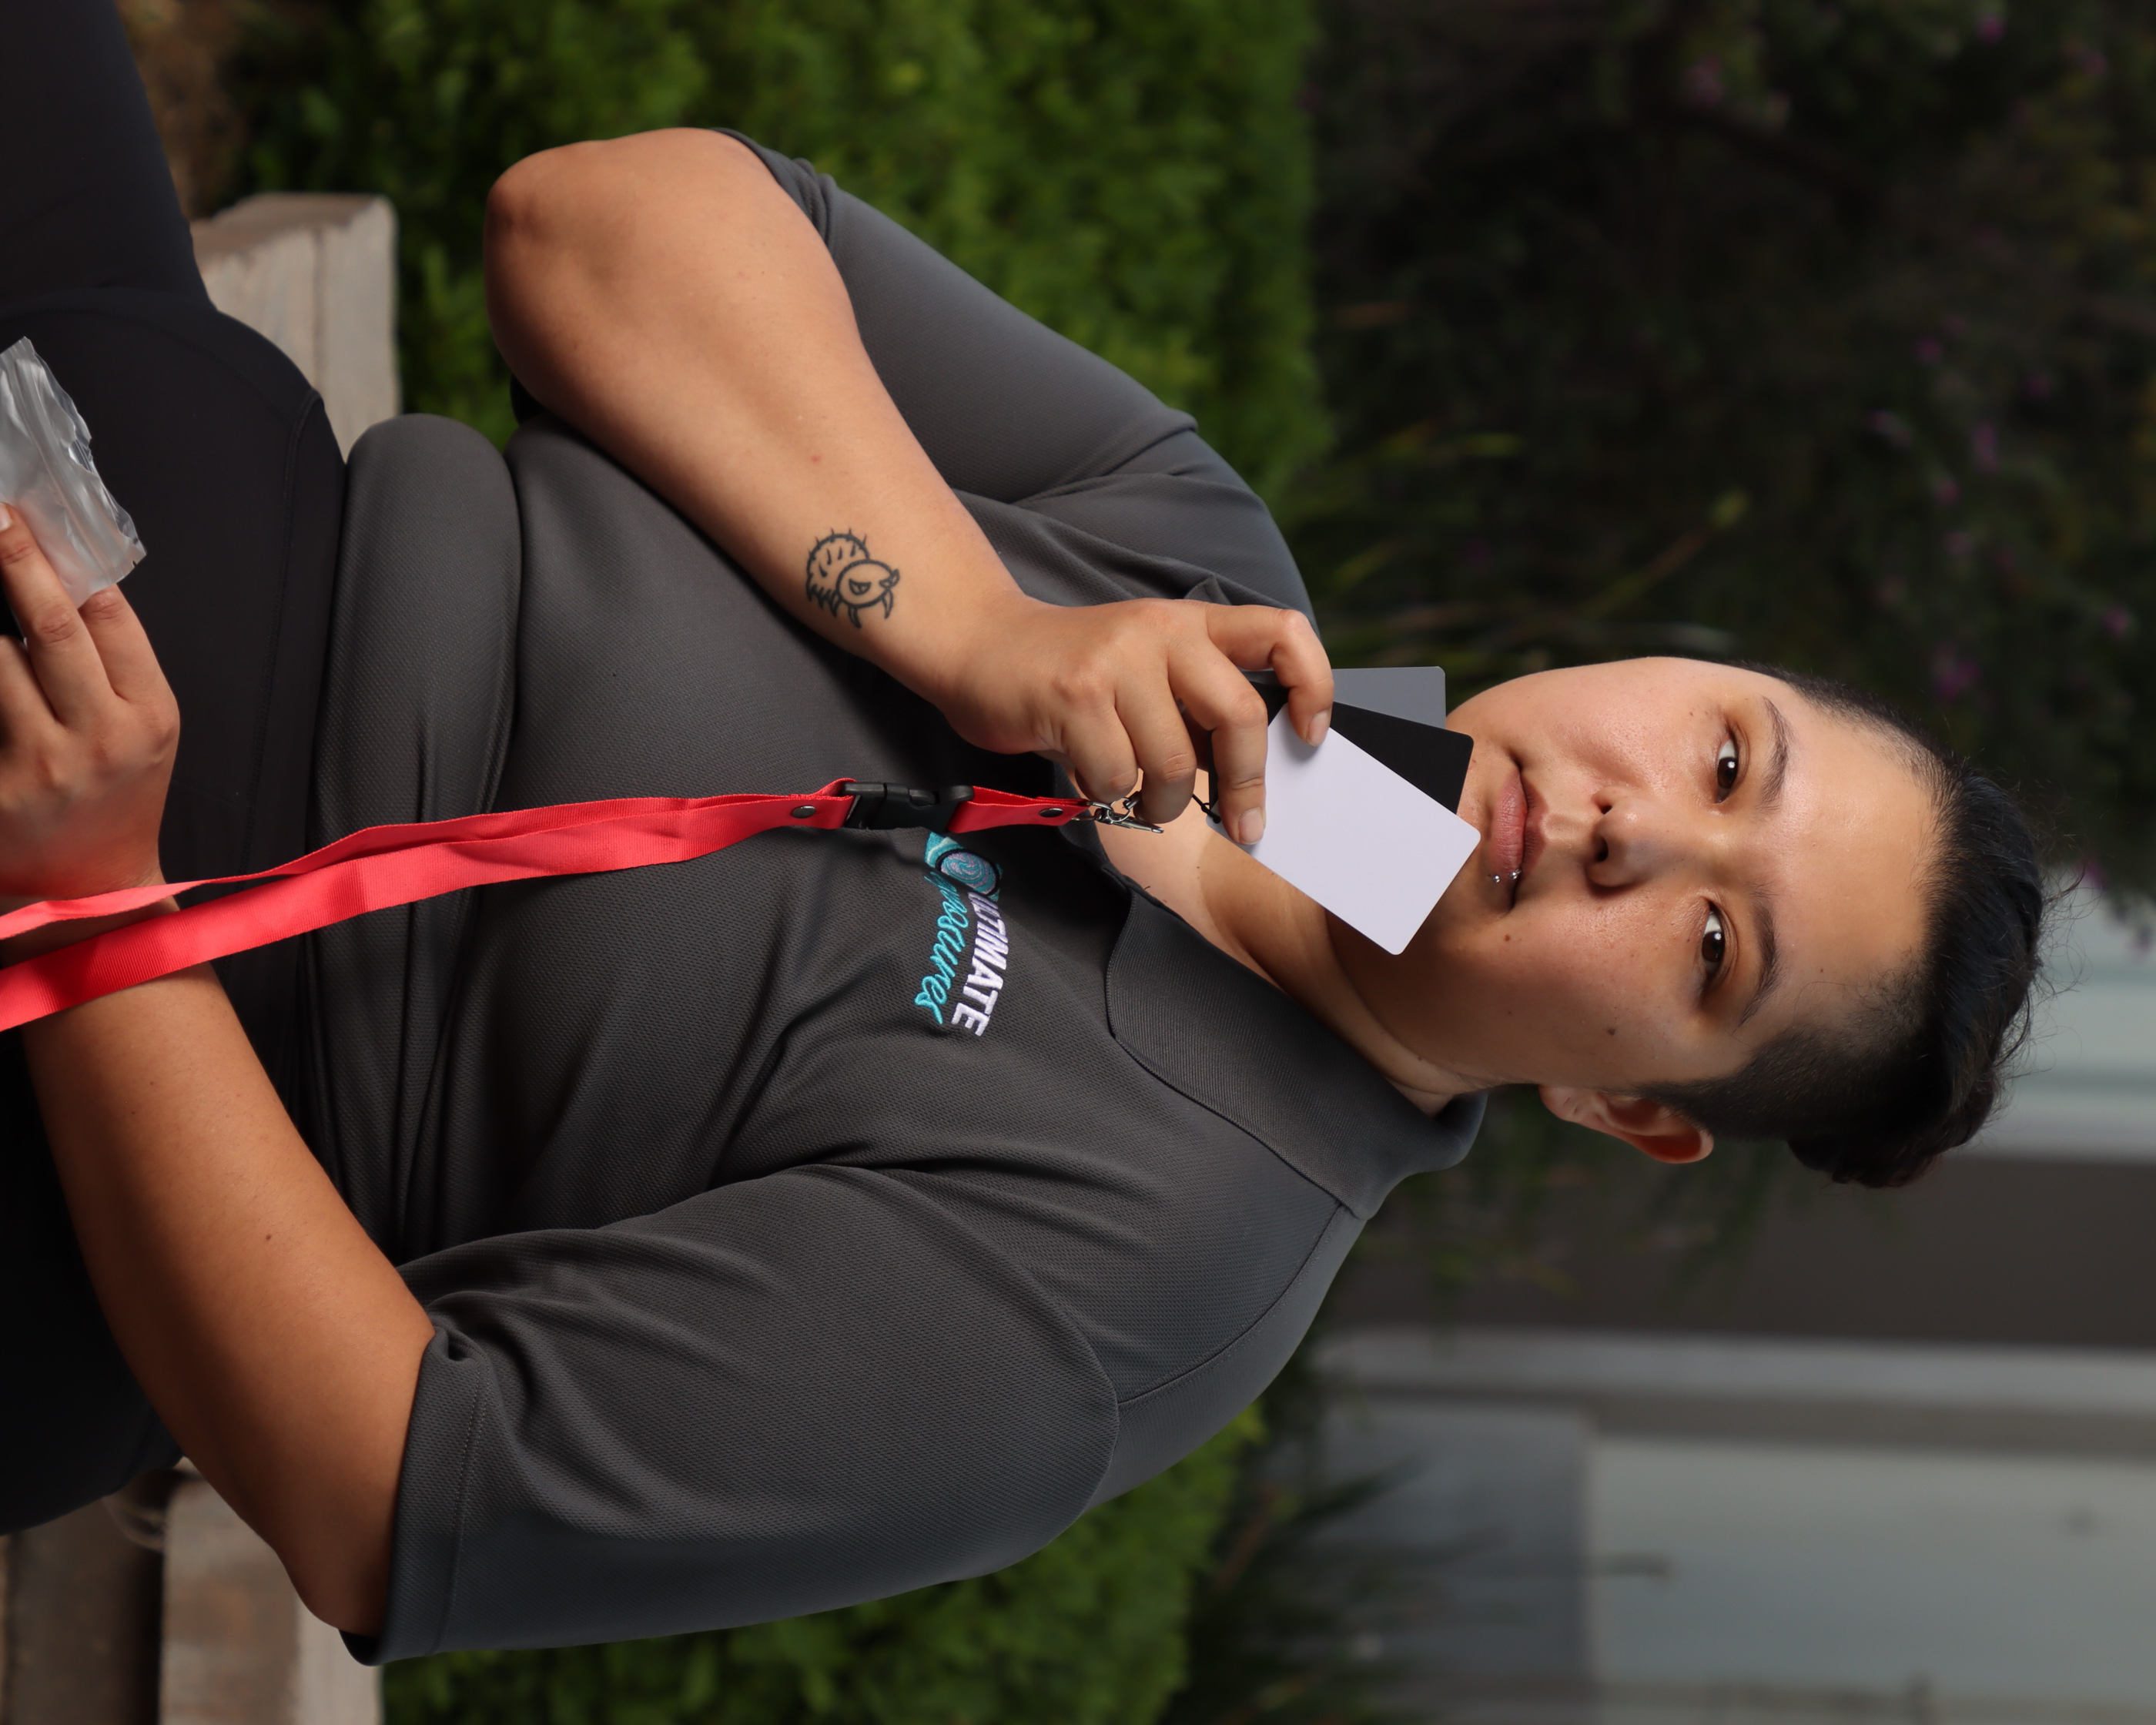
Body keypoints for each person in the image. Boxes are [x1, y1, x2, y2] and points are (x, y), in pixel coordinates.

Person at [1, 0, 2043, 1661]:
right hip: (145, 445)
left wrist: (102, 917)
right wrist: (977, 627)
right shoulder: (1198, 565)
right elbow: (586, 223)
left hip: (88, 1009)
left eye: (1714, 950)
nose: (1630, 831)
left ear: (1633, 1112)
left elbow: (380, 1489)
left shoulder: (1135, 1292)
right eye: (1726, 760)